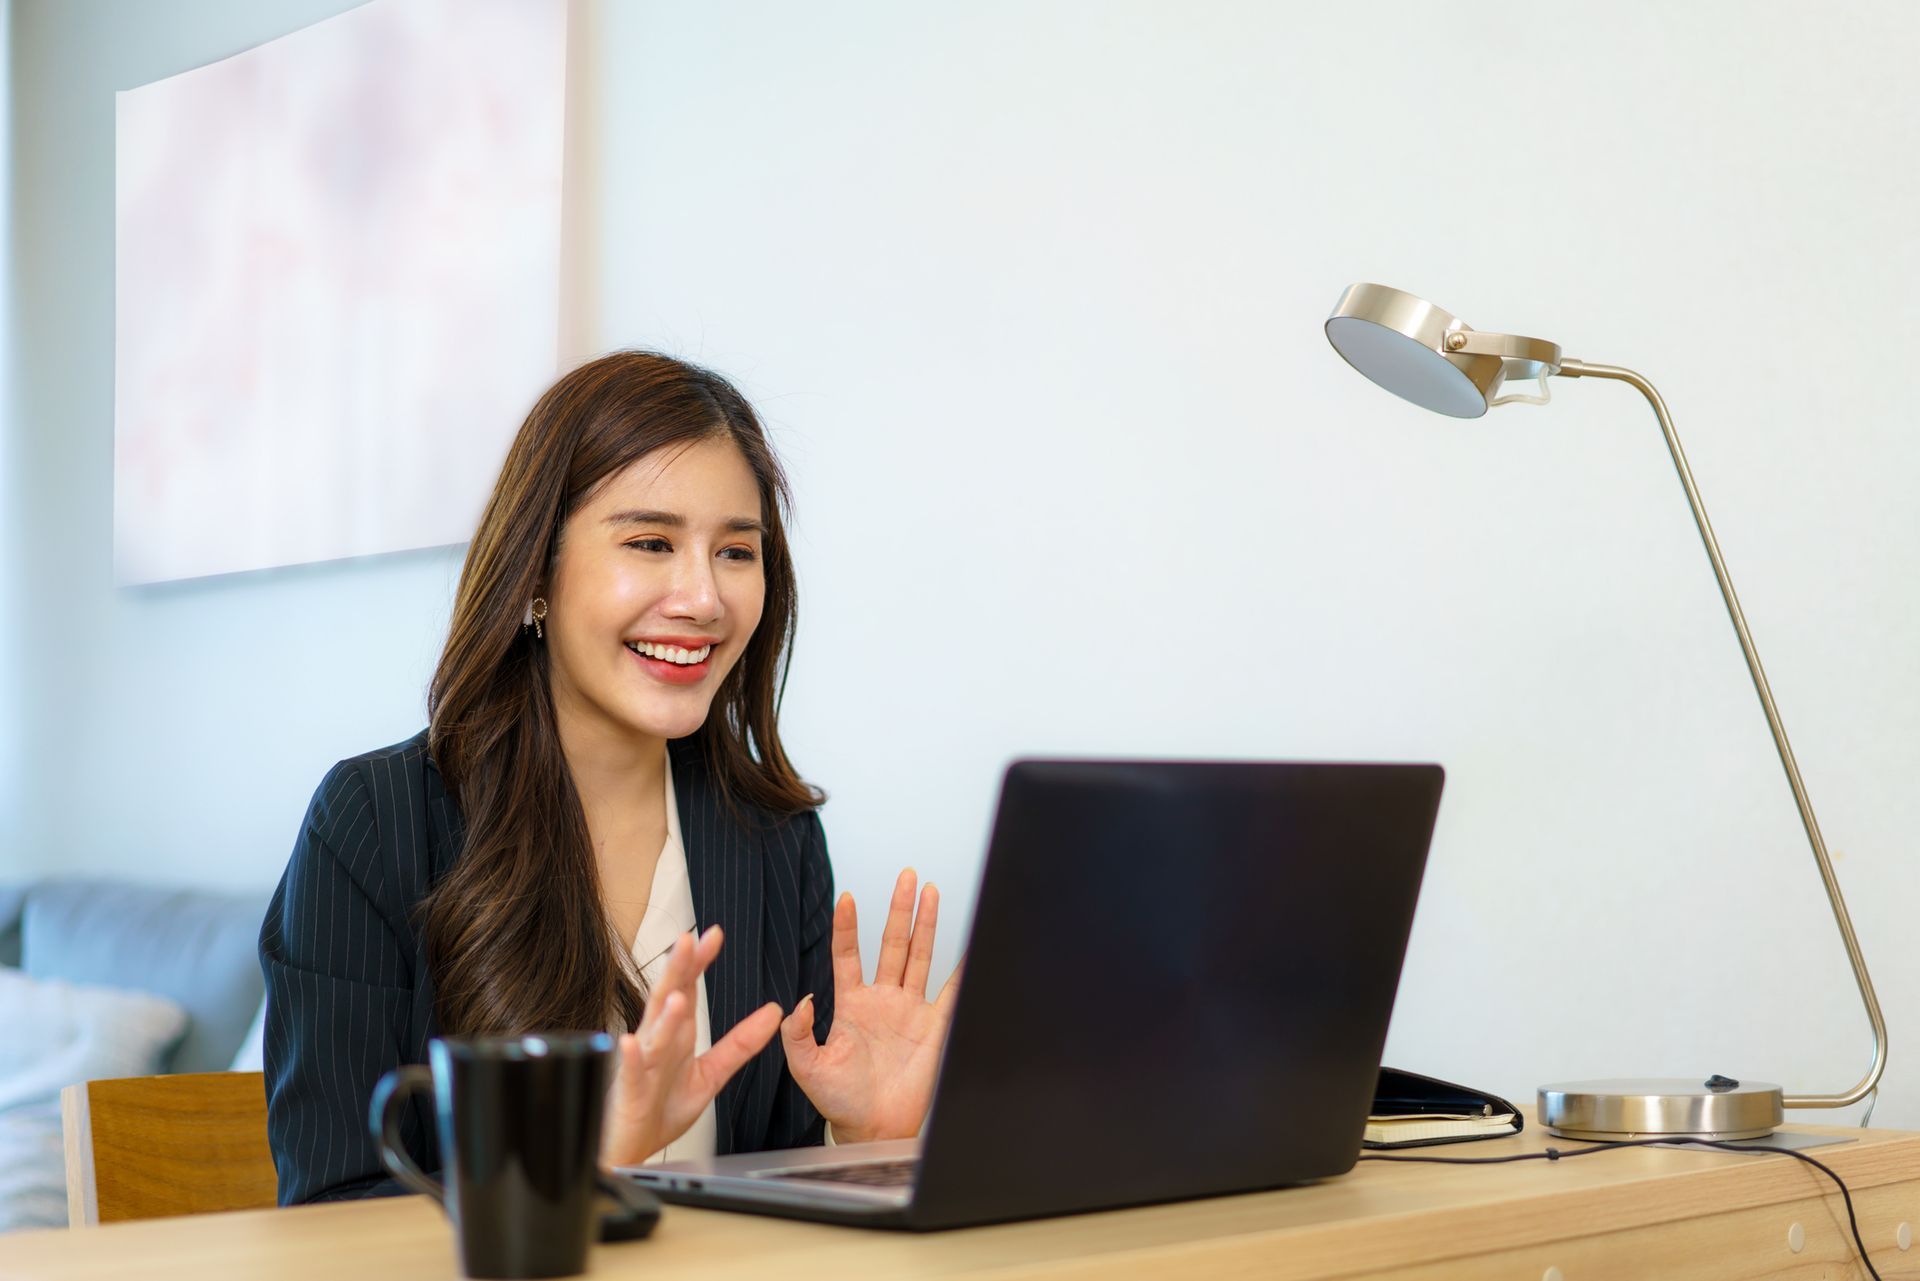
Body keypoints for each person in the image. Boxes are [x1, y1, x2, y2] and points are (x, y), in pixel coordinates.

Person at [259, 352, 958, 1203]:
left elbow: (771, 1209)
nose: (703, 596)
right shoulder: (374, 822)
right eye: (651, 542)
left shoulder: (774, 841)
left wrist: (863, 1144)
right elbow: (331, 1214)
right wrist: (575, 1174)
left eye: (736, 551)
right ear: (536, 573)